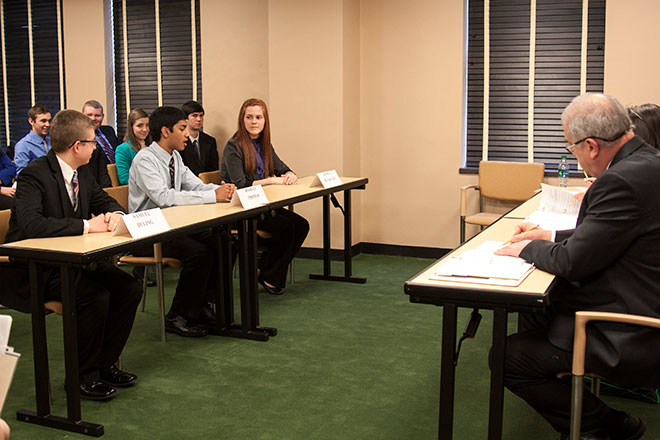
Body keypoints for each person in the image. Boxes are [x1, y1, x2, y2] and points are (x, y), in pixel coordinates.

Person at [495, 93, 660, 439]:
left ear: (592, 146)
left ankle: (609, 426)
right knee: (536, 310)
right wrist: (551, 234)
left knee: (508, 358)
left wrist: (529, 247)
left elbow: (571, 262)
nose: (577, 157)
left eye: (573, 149)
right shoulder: (647, 163)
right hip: (642, 299)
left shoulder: (620, 180)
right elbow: (612, 233)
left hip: (630, 329)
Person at [0, 110, 142, 401]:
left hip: (75, 260)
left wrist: (116, 215)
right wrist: (88, 226)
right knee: (94, 296)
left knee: (128, 287)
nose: (96, 147)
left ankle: (104, 365)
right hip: (37, 267)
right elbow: (31, 225)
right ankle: (82, 377)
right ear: (77, 146)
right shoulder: (33, 175)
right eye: (91, 142)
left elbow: (107, 201)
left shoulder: (83, 172)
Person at [128, 106, 235, 337]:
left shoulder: (174, 156)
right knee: (199, 253)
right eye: (182, 128)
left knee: (224, 242)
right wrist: (212, 195)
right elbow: (164, 198)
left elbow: (195, 185)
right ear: (166, 132)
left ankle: (200, 305)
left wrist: (222, 189)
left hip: (173, 226)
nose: (187, 134)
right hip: (148, 232)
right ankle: (178, 315)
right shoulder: (145, 159)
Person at [220, 98, 309, 295]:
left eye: (258, 117)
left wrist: (289, 174)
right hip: (240, 210)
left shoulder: (264, 143)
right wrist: (270, 181)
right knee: (285, 228)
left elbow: (282, 168)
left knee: (301, 225)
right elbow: (241, 186)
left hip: (263, 206)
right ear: (242, 120)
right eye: (249, 117)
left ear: (265, 120)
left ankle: (266, 271)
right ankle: (269, 275)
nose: (254, 121)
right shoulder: (233, 147)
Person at [180, 100, 219, 176]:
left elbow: (213, 170)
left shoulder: (210, 141)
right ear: (185, 119)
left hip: (207, 185)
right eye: (194, 116)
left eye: (201, 116)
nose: (199, 119)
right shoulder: (179, 141)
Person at [115, 108, 151, 185]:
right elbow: (124, 179)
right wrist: (150, 184)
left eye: (147, 125)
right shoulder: (123, 149)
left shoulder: (152, 146)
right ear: (131, 127)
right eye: (139, 126)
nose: (144, 129)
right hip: (138, 193)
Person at [13, 105, 51, 174]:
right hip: (37, 183)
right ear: (31, 121)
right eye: (43, 121)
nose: (48, 124)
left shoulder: (52, 142)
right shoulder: (23, 145)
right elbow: (22, 176)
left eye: (49, 121)